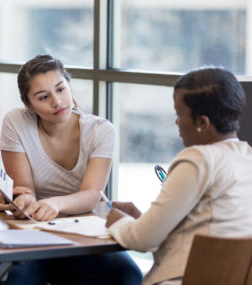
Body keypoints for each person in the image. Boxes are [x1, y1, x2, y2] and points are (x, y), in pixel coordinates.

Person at [0, 55, 142, 284]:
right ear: (28, 104)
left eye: (61, 89)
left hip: (84, 235)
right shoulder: (16, 121)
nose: (57, 102)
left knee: (128, 275)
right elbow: (25, 189)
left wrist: (55, 203)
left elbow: (92, 195)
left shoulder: (101, 131)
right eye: (44, 97)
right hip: (35, 234)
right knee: (18, 281)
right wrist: (23, 201)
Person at [105, 67, 252, 285]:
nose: (176, 123)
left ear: (202, 123)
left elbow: (143, 240)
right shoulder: (245, 157)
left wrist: (120, 222)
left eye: (178, 114)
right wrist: (142, 220)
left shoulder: (198, 160)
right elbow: (203, 224)